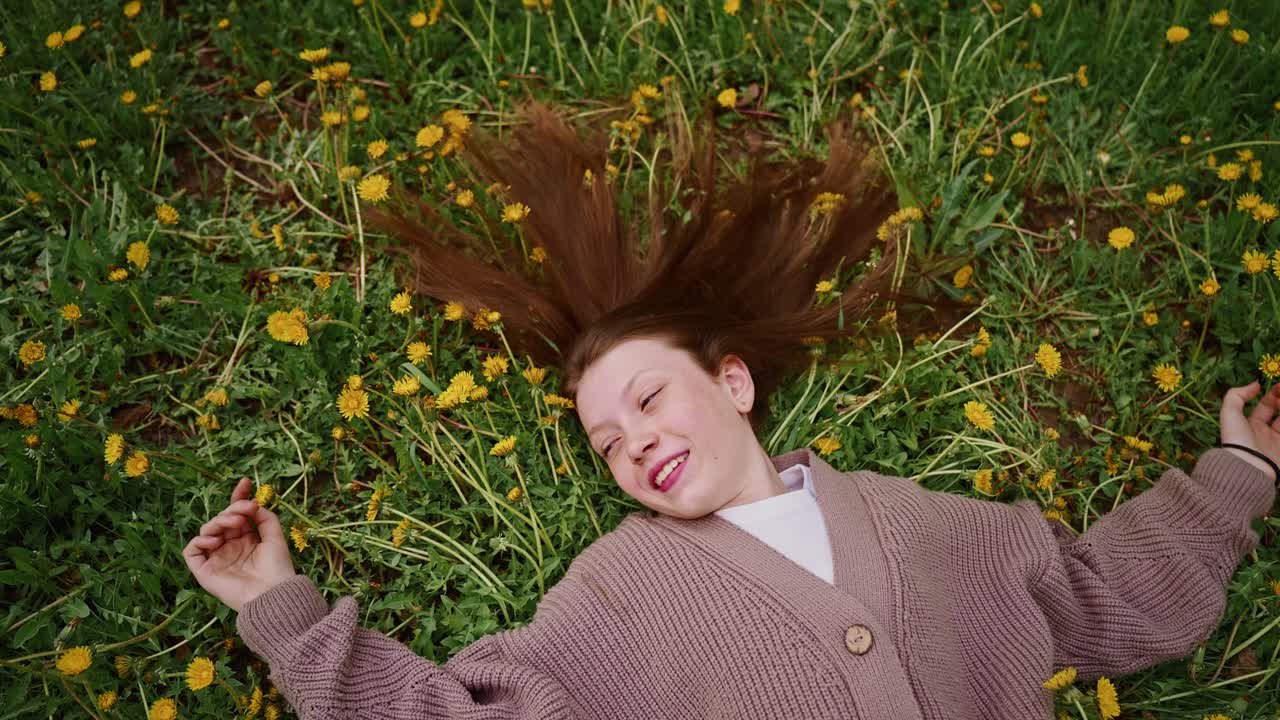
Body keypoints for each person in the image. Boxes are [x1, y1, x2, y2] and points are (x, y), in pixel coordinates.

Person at [183, 100, 1280, 719]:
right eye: (607, 443)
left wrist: (1237, 475)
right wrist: (281, 609)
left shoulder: (918, 520)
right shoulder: (615, 595)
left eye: (648, 398)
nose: (634, 443)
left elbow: (1089, 594)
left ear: (735, 384)